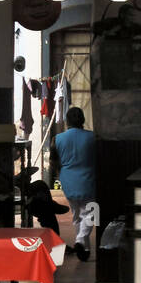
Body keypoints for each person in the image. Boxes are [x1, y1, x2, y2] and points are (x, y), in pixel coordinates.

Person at [53, 106, 97, 261]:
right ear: (83, 120)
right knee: (92, 212)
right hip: (88, 178)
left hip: (68, 180)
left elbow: (54, 162)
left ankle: (84, 251)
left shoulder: (58, 139)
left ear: (67, 121)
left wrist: (62, 176)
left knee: (77, 215)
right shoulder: (92, 137)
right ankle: (80, 241)